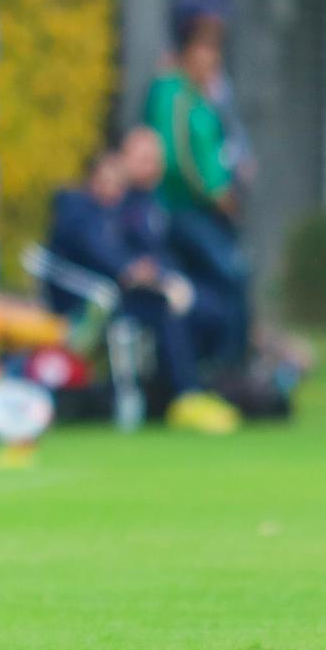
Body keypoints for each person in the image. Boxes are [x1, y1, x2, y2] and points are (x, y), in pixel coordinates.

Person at [45, 140, 239, 434]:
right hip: (88, 305)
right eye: (107, 179)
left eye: (118, 182)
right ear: (92, 179)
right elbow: (106, 257)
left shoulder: (122, 210)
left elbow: (149, 255)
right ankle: (184, 395)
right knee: (164, 309)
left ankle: (206, 385)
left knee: (208, 307)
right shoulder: (80, 213)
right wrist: (140, 274)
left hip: (120, 296)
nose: (113, 188)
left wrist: (162, 277)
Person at [142, 0, 251, 369]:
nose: (214, 55)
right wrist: (215, 193)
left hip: (208, 211)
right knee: (231, 274)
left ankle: (231, 361)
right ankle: (224, 365)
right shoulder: (173, 92)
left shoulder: (203, 94)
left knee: (227, 279)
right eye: (206, 43)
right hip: (185, 211)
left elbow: (220, 145)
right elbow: (178, 159)